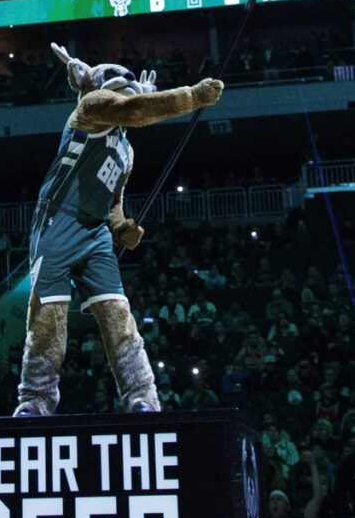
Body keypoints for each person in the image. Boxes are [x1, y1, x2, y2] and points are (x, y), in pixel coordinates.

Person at [12, 44, 223, 415]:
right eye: (115, 76)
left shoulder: (127, 152)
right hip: (59, 219)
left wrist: (122, 226)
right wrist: (192, 97)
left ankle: (142, 396)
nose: (124, 80)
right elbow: (135, 109)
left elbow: (113, 200)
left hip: (95, 233)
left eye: (128, 77)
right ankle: (35, 400)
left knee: (118, 315)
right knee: (48, 315)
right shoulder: (91, 108)